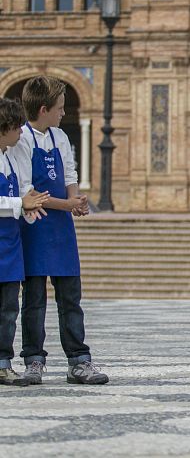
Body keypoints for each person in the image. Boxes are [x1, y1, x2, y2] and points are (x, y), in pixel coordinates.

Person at [9, 76, 108, 385]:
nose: (64, 113)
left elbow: (68, 171)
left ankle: (79, 359)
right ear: (43, 109)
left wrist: (76, 198)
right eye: (60, 108)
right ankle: (33, 360)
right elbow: (29, 191)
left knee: (70, 297)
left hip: (62, 228)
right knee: (35, 299)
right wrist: (66, 204)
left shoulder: (60, 137)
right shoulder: (20, 140)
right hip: (34, 226)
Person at [0, 98, 49, 386]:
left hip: (10, 245)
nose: (21, 133)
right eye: (17, 128)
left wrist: (29, 207)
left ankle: (3, 362)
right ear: (4, 127)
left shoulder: (9, 157)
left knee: (8, 308)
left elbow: (21, 197)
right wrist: (21, 202)